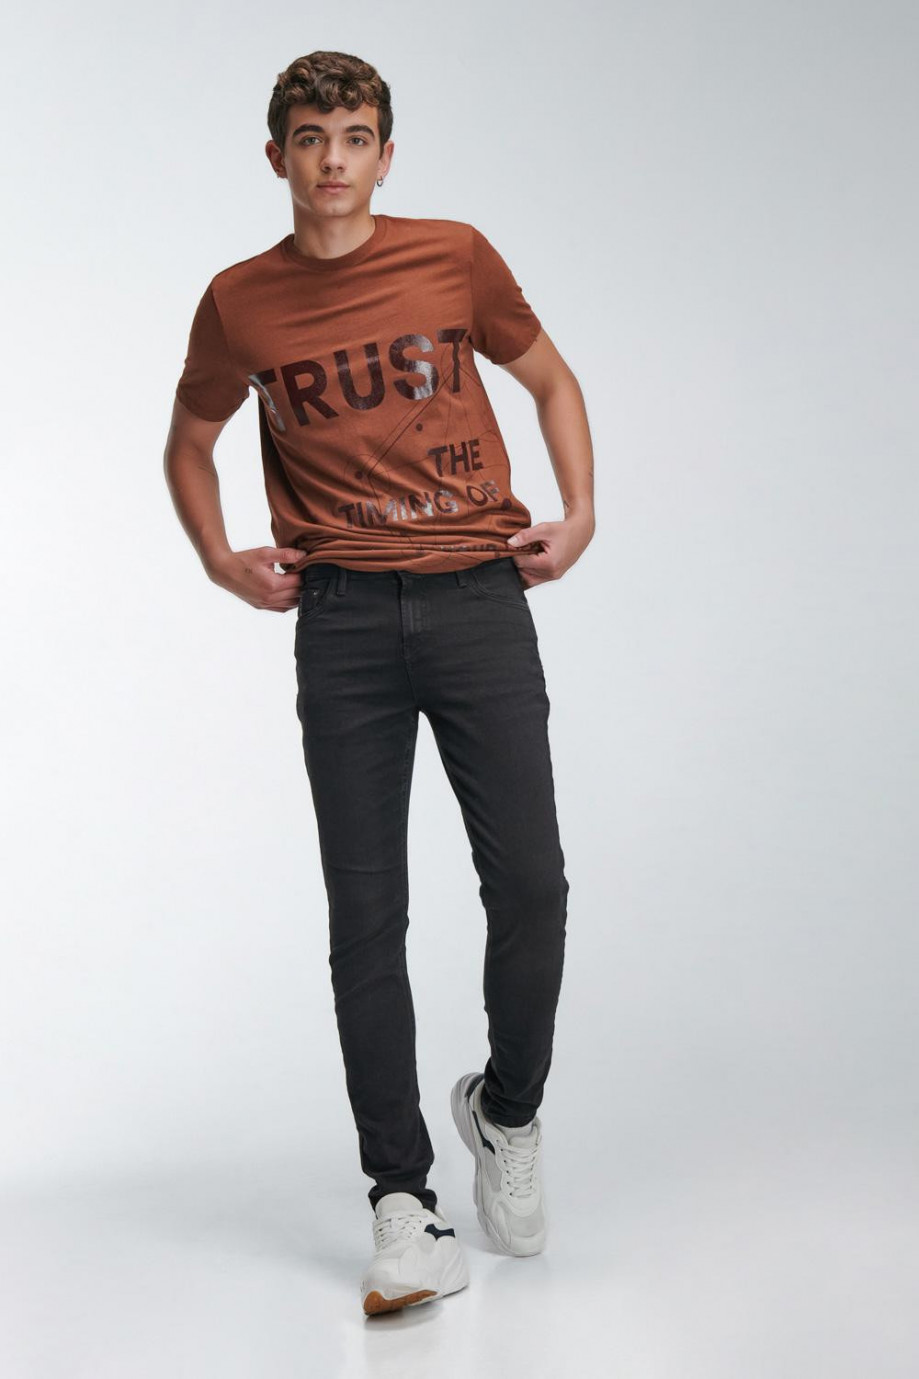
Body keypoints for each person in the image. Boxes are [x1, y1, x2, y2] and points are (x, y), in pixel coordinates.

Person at [164, 50, 595, 1317]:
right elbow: (190, 438)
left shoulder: (454, 257)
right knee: (367, 912)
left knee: (532, 882)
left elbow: (550, 379)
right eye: (310, 138)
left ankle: (506, 1108)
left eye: (354, 136)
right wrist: (219, 557)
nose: (333, 160)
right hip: (342, 617)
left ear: (385, 154)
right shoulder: (238, 302)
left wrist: (579, 515)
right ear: (277, 157)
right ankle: (402, 1200)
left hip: (478, 599)